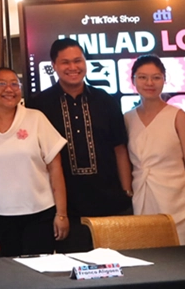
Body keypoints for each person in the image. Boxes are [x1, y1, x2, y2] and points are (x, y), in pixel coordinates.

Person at [27, 38, 132, 252]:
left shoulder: (105, 100)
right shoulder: (39, 105)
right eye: (65, 62)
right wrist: (59, 212)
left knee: (119, 269)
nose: (73, 67)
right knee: (76, 270)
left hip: (110, 202)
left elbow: (119, 149)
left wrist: (126, 192)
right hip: (67, 208)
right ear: (54, 65)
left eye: (78, 60)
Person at [0, 68, 69, 256]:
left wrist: (61, 214)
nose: (9, 89)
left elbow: (55, 168)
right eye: (1, 83)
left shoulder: (35, 118)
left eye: (14, 83)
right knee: (14, 275)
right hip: (3, 216)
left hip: (41, 212)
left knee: (40, 273)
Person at [124, 55, 185, 245]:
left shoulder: (178, 117)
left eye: (156, 77)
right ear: (133, 80)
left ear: (164, 79)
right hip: (142, 201)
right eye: (142, 77)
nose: (149, 83)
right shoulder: (127, 119)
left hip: (178, 204)